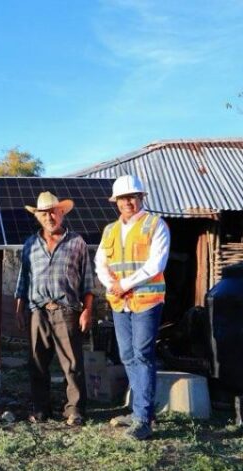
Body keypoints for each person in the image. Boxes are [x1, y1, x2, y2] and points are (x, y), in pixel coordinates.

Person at [95, 175, 170, 440]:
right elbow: (100, 264)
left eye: (133, 197)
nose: (128, 202)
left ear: (141, 198)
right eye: (123, 198)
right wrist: (112, 285)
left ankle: (144, 417)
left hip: (146, 301)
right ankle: (140, 412)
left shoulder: (155, 225)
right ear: (116, 202)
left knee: (143, 354)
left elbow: (156, 264)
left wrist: (124, 283)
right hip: (120, 302)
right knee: (127, 354)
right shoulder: (110, 230)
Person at [14, 191, 94, 426]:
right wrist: (18, 309)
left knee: (72, 364)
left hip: (67, 309)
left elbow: (87, 280)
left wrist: (87, 310)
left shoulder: (76, 242)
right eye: (44, 213)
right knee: (37, 362)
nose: (49, 217)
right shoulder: (30, 244)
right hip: (37, 310)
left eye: (53, 212)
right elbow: (23, 280)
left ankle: (75, 410)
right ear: (37, 216)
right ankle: (41, 409)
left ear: (62, 213)